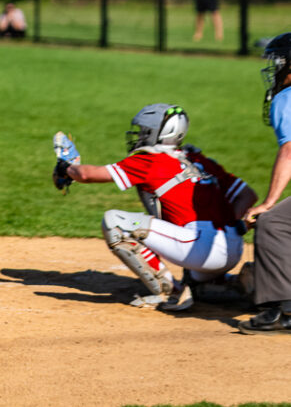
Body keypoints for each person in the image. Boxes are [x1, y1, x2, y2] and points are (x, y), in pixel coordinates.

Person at [53, 103, 256, 311]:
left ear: (159, 133)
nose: (139, 136)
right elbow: (247, 195)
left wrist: (66, 168)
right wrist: (234, 223)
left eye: (144, 131)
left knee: (115, 223)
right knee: (197, 285)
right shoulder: (199, 160)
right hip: (232, 247)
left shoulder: (150, 160)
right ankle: (235, 284)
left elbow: (87, 174)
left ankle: (170, 292)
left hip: (197, 248)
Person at [239, 32, 291, 333]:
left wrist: (269, 203)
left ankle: (283, 310)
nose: (276, 68)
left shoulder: (286, 98)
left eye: (280, 61)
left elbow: (289, 149)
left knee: (273, 224)